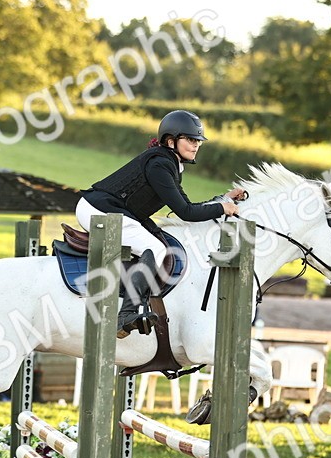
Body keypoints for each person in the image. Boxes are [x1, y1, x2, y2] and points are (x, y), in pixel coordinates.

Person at [78, 109, 247, 337]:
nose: (196, 145)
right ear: (171, 140)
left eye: (198, 141)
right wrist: (222, 208)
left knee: (156, 241)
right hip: (98, 210)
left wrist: (223, 200)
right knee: (156, 249)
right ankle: (126, 315)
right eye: (190, 139)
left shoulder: (169, 164)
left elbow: (186, 206)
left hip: (112, 210)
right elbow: (186, 212)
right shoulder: (159, 165)